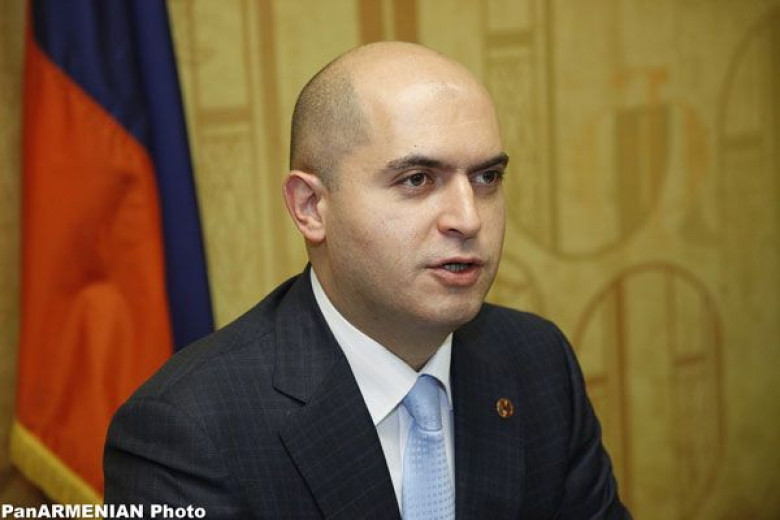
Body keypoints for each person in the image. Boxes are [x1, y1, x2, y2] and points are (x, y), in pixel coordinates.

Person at [104, 41, 630, 519]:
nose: (468, 219)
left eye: (486, 178)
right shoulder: (188, 429)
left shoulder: (537, 362)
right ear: (311, 207)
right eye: (417, 180)